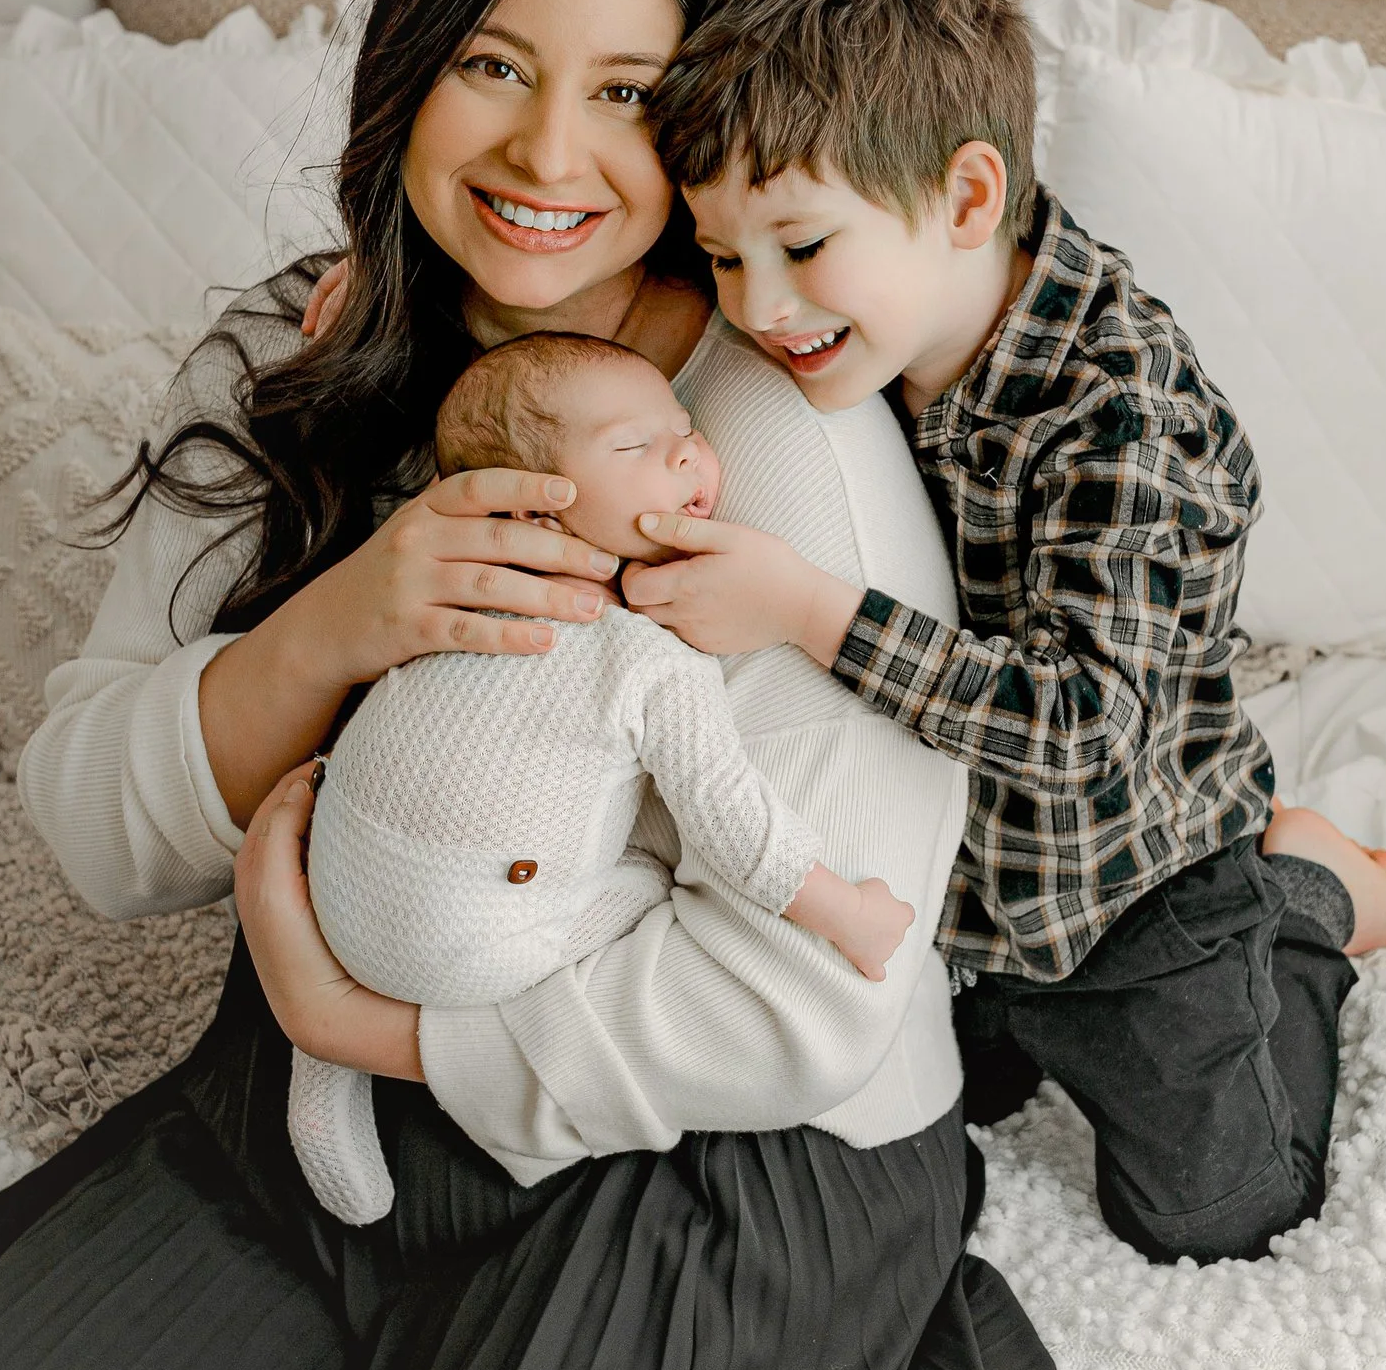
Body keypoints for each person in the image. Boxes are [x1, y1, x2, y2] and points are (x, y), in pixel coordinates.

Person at [0, 0, 1091, 1370]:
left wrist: (387, 1033)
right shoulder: (292, 348)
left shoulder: (772, 438)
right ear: (409, 67)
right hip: (318, 1113)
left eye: (630, 93)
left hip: (720, 1146)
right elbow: (91, 825)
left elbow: (817, 994)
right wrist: (344, 623)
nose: (549, 153)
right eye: (494, 65)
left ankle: (885, 1355)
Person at [628, 0, 1386, 1265]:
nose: (759, 307)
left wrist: (800, 606)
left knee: (1218, 1209)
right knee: (879, 1106)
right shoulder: (879, 326)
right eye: (725, 257)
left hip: (1143, 882)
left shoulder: (1121, 410)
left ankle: (1305, 891)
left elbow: (1079, 727)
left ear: (966, 198)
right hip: (976, 891)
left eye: (801, 245)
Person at [285, 331, 915, 1225]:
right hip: (471, 944)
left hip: (327, 891)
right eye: (636, 445)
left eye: (686, 428)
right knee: (650, 877)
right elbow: (729, 817)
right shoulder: (648, 656)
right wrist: (846, 911)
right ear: (532, 508)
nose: (688, 452)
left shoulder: (452, 599)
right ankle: (406, 1049)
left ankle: (320, 1072)